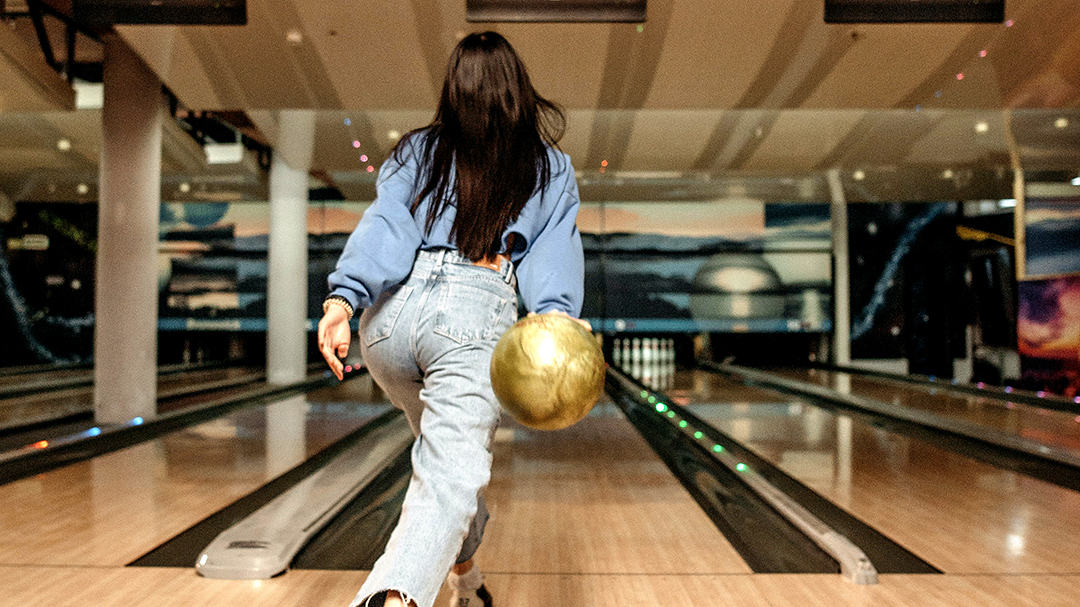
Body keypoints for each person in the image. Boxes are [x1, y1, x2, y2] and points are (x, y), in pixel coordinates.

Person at [317, 32, 587, 607]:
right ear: (520, 92)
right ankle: (393, 599)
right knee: (450, 478)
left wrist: (342, 301)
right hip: (471, 319)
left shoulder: (418, 151)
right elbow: (552, 254)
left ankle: (465, 575)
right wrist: (558, 321)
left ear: (452, 92)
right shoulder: (547, 167)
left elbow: (387, 225)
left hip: (388, 324)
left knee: (445, 465)